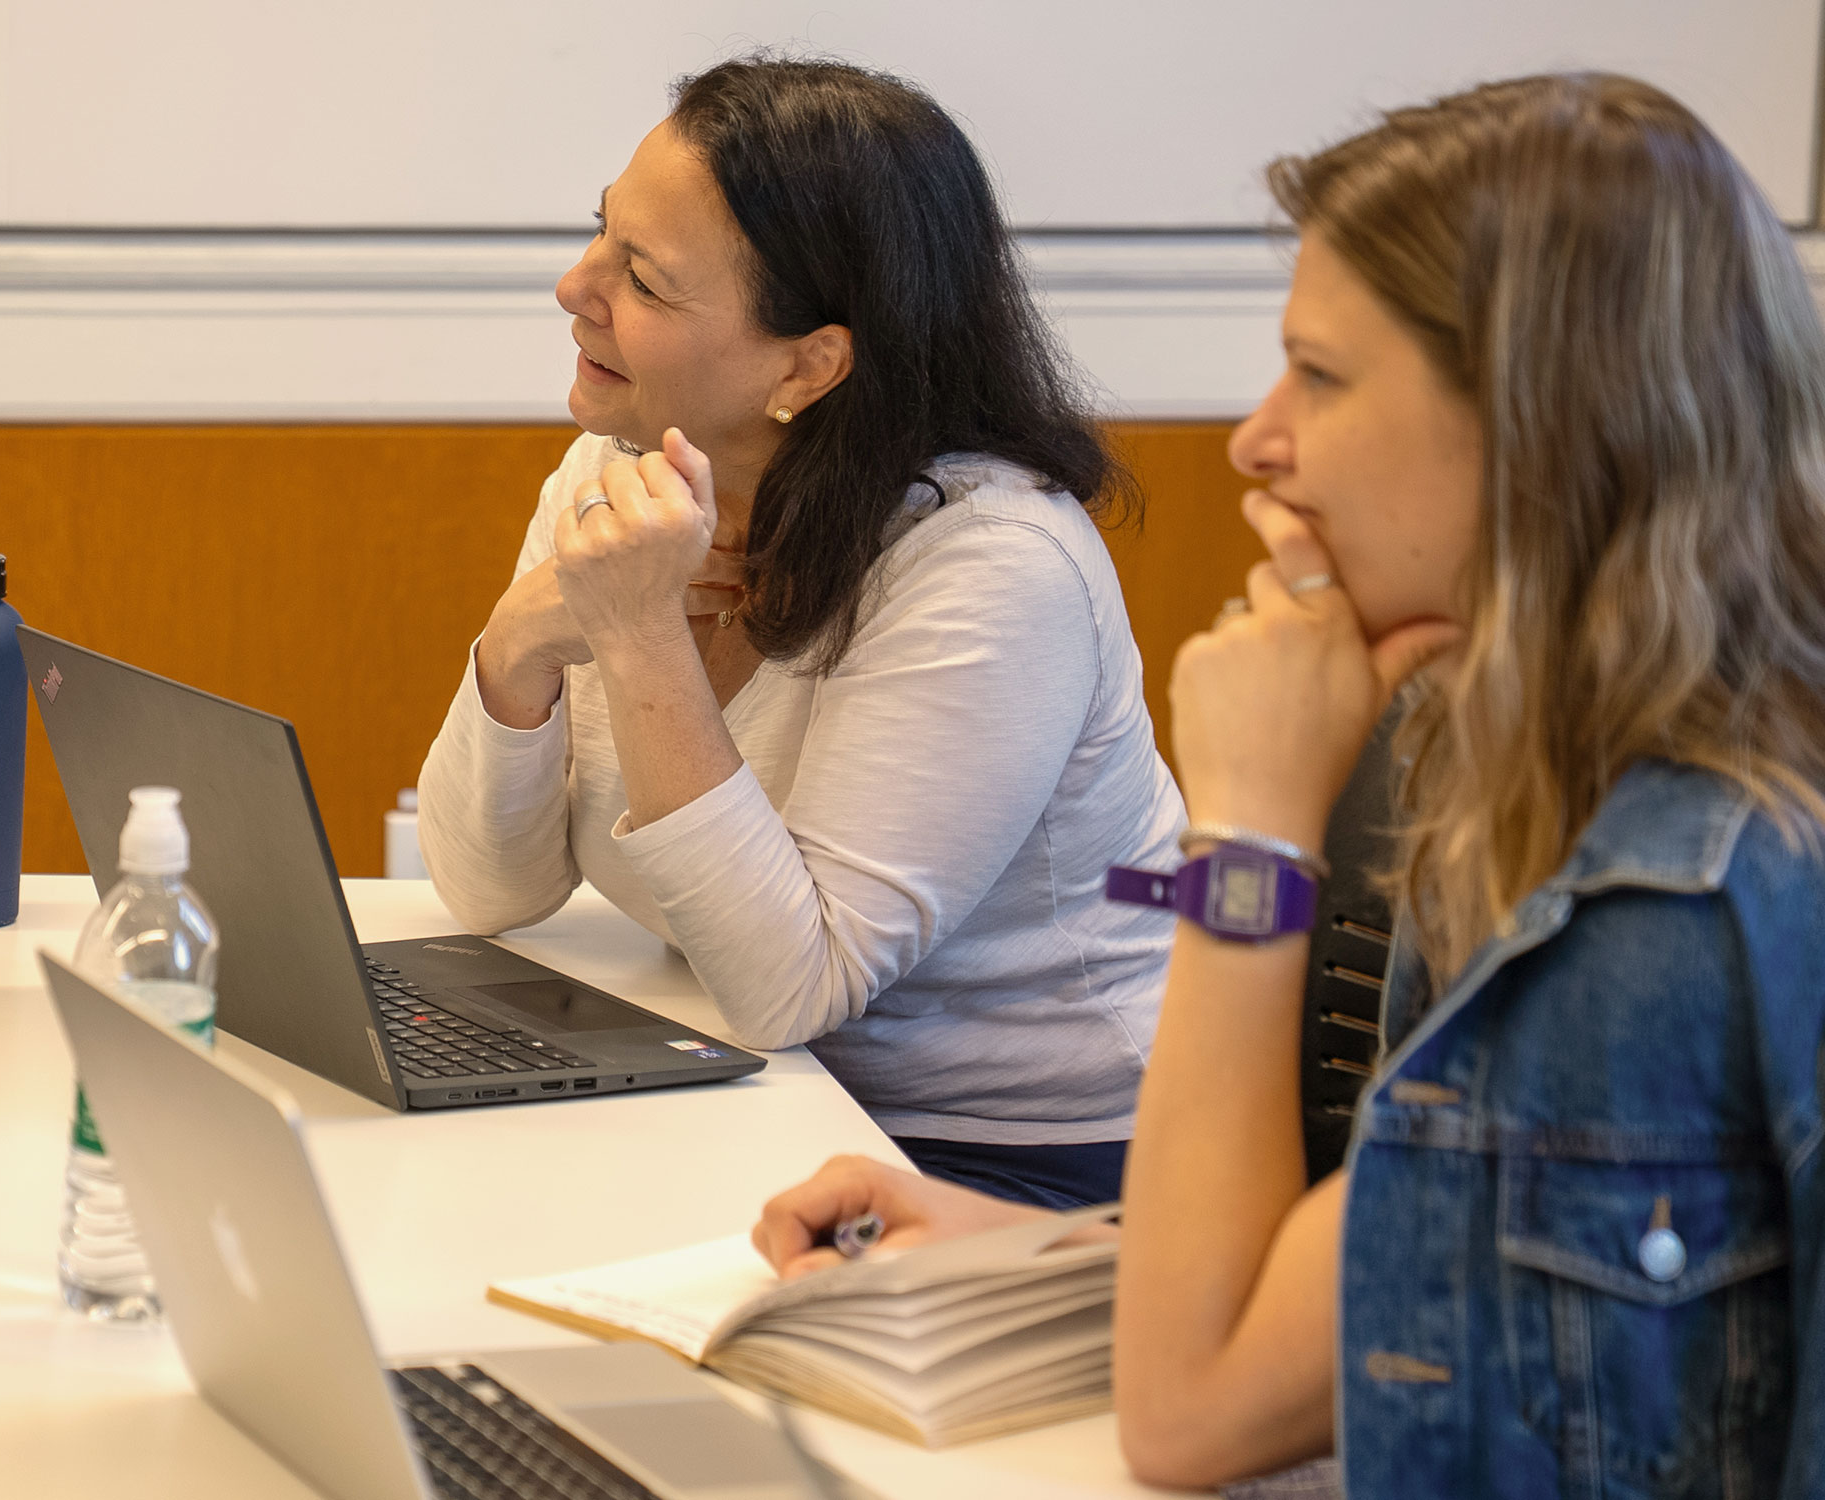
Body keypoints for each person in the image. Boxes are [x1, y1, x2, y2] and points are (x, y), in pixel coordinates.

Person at [752, 72, 1825, 1496]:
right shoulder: (1545, 778)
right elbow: (1411, 1258)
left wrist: (1249, 828)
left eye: (1319, 375)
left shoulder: (1653, 918)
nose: (1259, 440)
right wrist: (1046, 1254)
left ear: (1537, 422)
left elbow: (1194, 1422)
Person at [416, 57, 1185, 1209]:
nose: (574, 287)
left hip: (1009, 1157)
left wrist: (634, 638)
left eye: (643, 279)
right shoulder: (621, 472)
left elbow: (790, 985)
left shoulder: (993, 566)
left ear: (807, 365)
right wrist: (521, 641)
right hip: (748, 1081)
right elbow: (488, 892)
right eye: (597, 236)